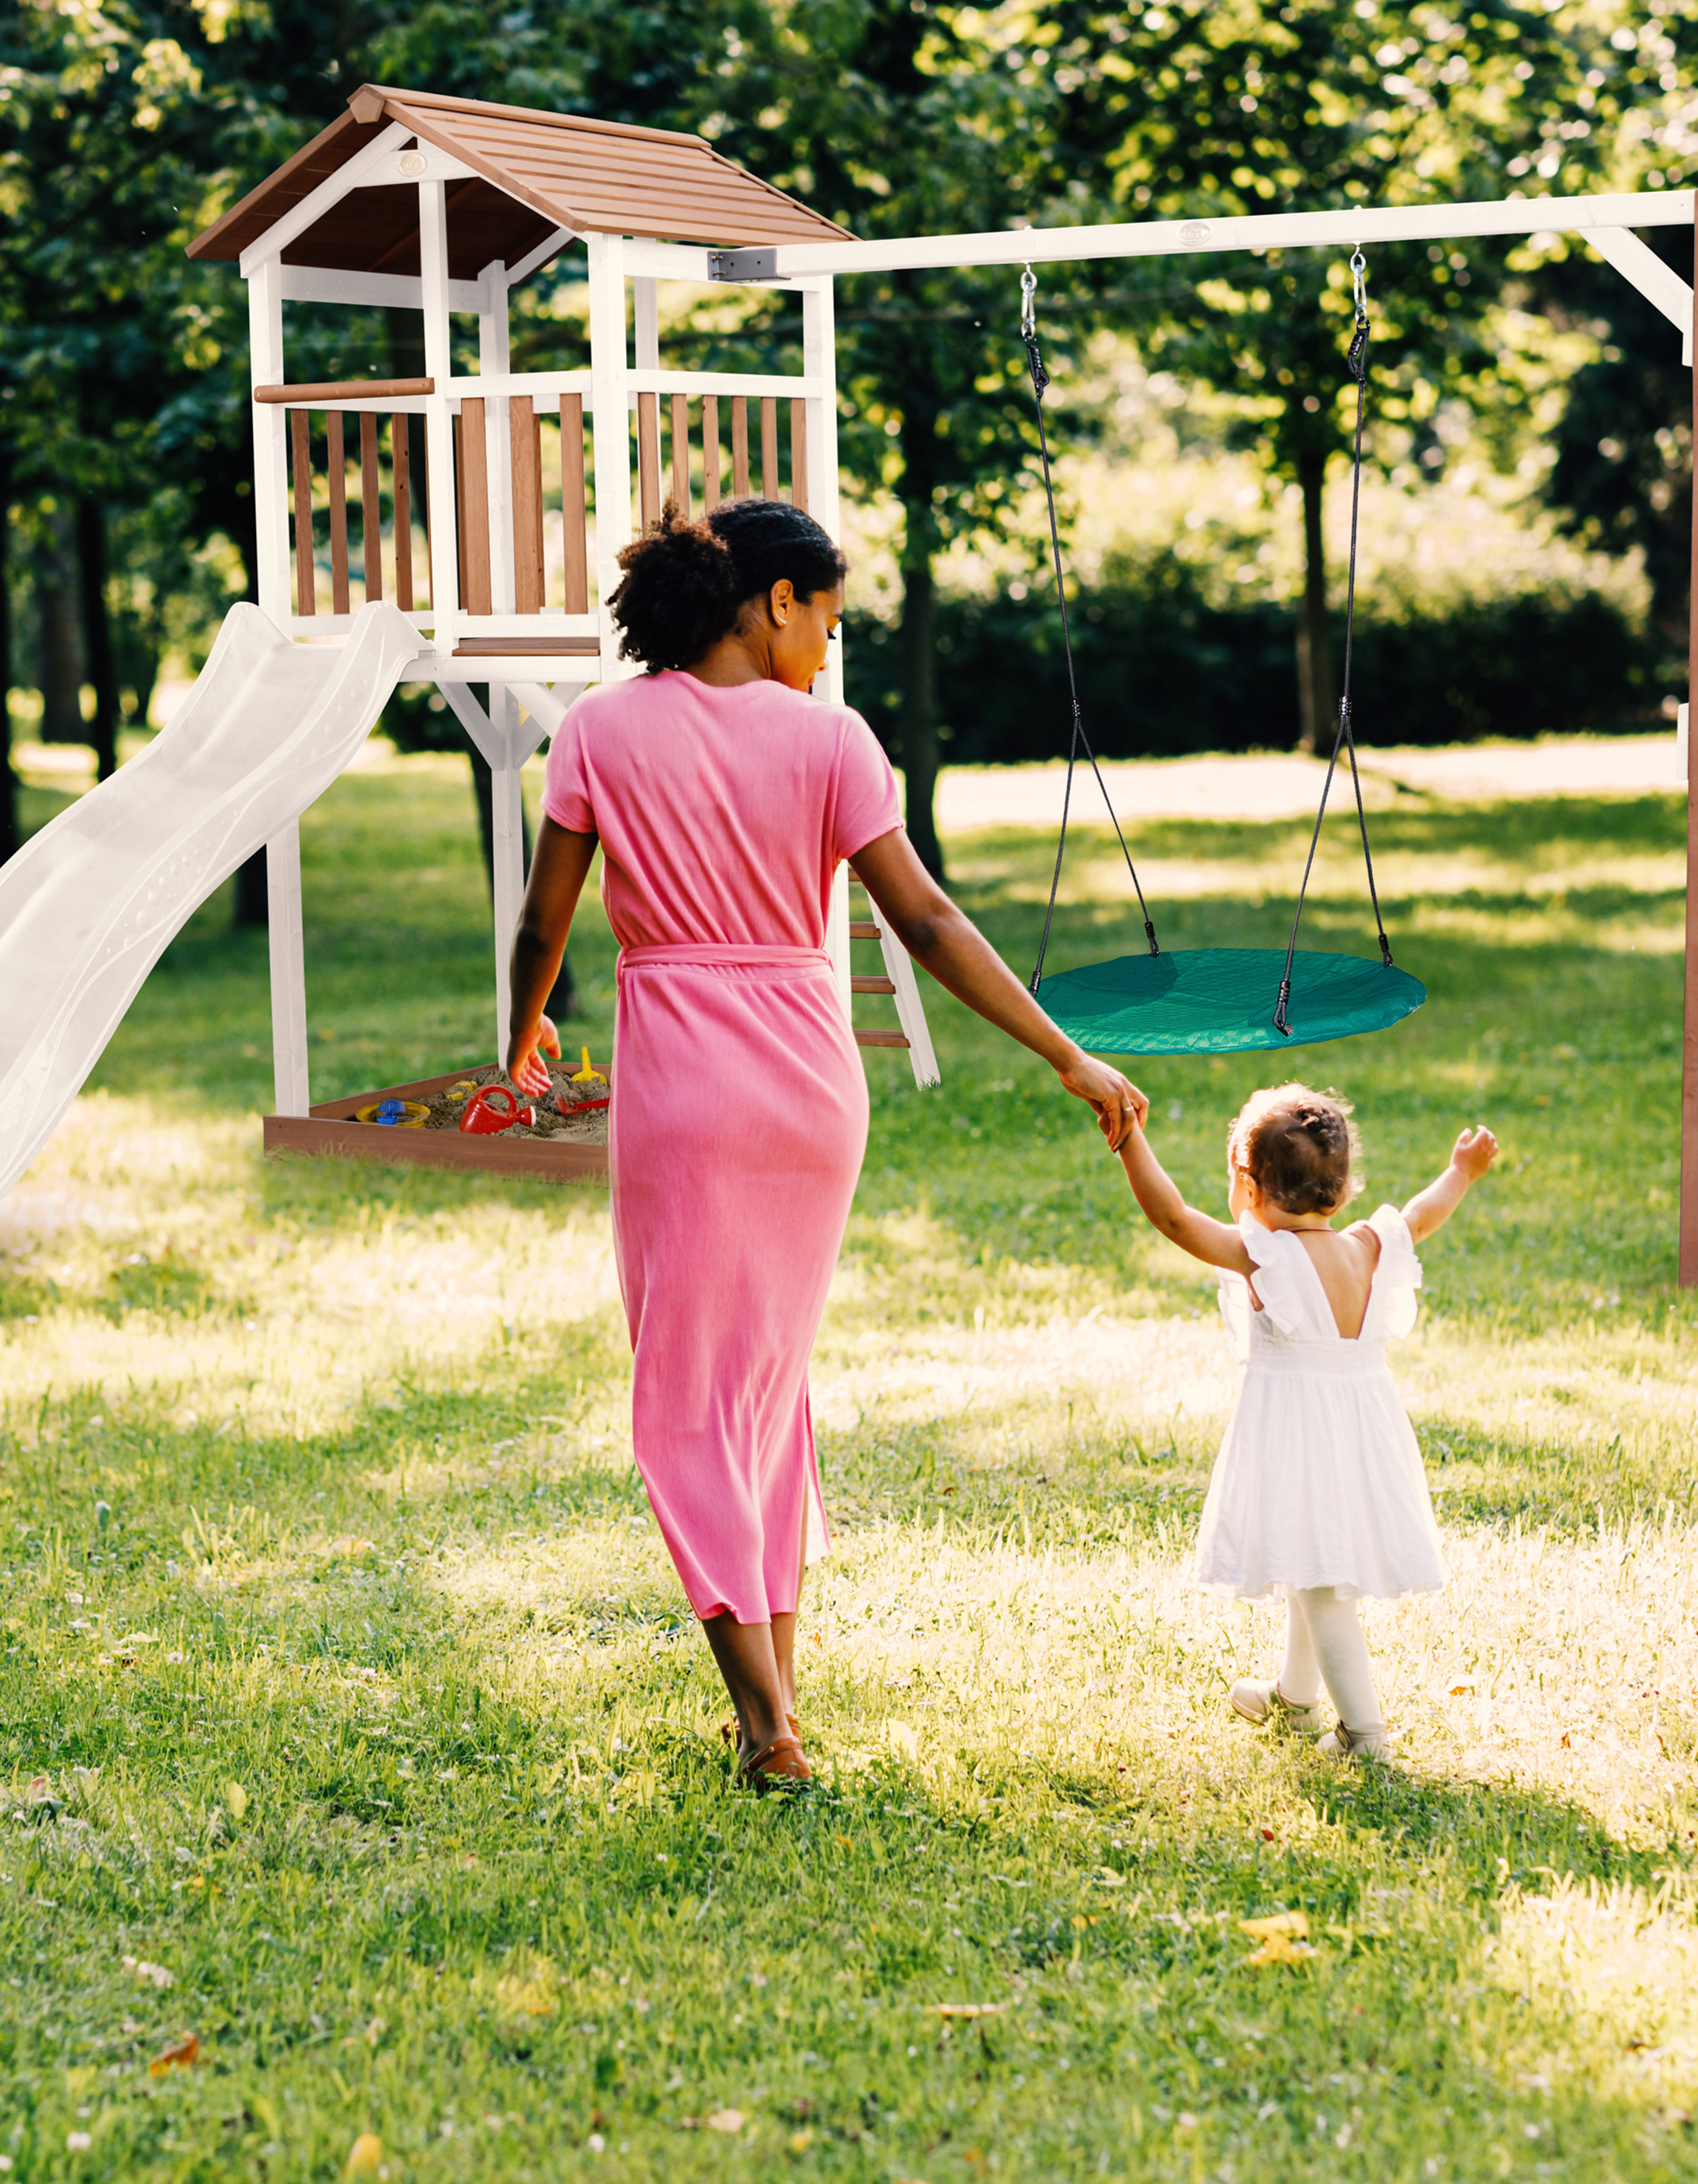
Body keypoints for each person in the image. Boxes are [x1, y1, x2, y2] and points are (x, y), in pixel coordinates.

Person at [506, 500, 1146, 1786]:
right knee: (764, 1389)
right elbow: (929, 922)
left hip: (684, 1086)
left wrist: (519, 1036)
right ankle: (778, 1700)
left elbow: (543, 921)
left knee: (689, 1401)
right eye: (829, 622)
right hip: (811, 1086)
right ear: (775, 601)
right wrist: (1064, 1052)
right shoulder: (834, 741)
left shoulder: (598, 732)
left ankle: (767, 1726)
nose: (827, 648)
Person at [1111, 1083, 1499, 1762]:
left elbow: (1172, 1217)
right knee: (1308, 1560)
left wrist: (1129, 1139)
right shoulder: (1368, 1246)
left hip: (1300, 1440)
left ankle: (1364, 1735)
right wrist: (1460, 1172)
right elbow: (1422, 1213)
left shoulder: (1265, 1256)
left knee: (1321, 1587)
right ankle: (1294, 1698)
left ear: (1249, 1186)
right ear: (1341, 1190)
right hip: (1362, 1437)